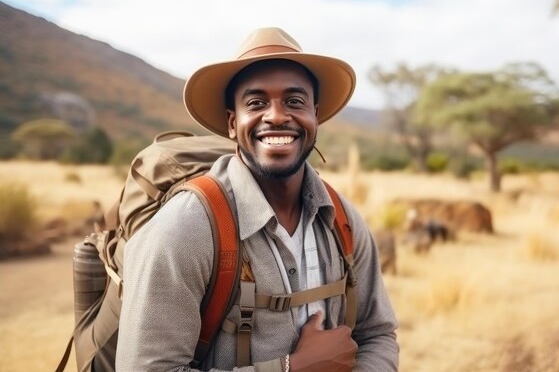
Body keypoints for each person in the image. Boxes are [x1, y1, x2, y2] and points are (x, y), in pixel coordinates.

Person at [117, 27, 399, 372]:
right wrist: (289, 369)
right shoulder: (185, 228)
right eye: (257, 103)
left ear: (315, 117)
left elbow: (378, 334)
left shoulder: (343, 219)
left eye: (295, 101)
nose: (277, 116)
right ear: (233, 123)